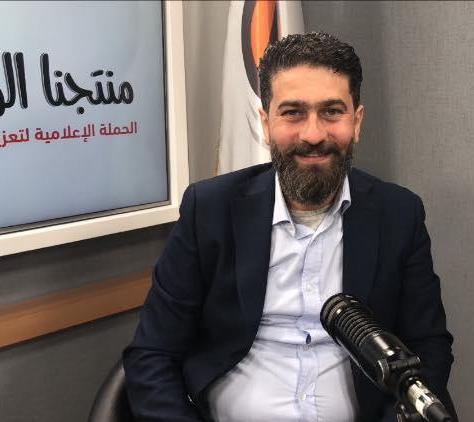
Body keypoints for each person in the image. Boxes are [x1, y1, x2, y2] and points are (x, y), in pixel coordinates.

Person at [123, 31, 456, 422]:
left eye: (332, 111)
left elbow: (428, 347)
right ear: (266, 123)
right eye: (293, 112)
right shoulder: (209, 210)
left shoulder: (399, 213)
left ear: (356, 121)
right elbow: (152, 353)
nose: (313, 134)